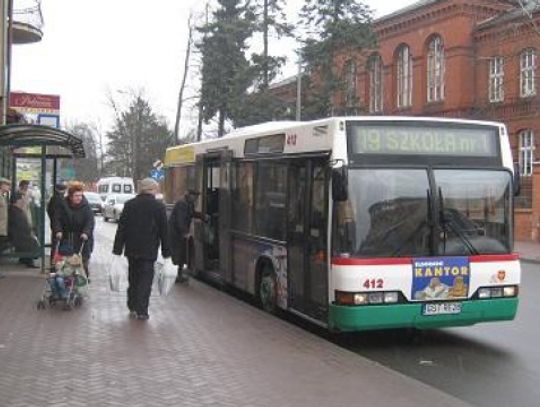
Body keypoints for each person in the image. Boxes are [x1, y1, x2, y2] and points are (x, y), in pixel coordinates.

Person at [113, 178, 171, 320]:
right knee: (145, 280)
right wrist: (166, 253)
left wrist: (117, 250)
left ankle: (132, 305)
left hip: (131, 249)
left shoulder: (129, 205)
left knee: (133, 278)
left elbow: (122, 229)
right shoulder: (158, 207)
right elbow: (164, 231)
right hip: (149, 250)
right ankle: (142, 310)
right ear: (152, 189)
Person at [53, 182, 95, 279]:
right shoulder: (63, 205)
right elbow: (57, 219)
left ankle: (82, 282)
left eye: (80, 195)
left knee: (82, 262)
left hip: (82, 239)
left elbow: (90, 222)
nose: (79, 198)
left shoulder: (86, 207)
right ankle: (66, 282)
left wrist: (86, 232)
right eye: (76, 196)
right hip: (67, 237)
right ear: (71, 196)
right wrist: (58, 230)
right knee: (65, 262)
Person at [168, 189, 206, 284]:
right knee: (179, 254)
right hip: (176, 233)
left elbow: (192, 213)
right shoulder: (182, 204)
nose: (196, 198)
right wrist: (184, 232)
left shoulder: (189, 203)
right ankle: (179, 275)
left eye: (197, 197)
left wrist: (203, 216)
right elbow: (180, 220)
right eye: (194, 196)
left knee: (182, 254)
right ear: (189, 195)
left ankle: (180, 274)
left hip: (180, 233)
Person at [8, 192, 39, 268]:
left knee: (31, 239)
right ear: (18, 201)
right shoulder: (14, 211)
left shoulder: (17, 210)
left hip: (20, 234)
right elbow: (20, 226)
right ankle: (29, 261)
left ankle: (25, 259)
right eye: (22, 199)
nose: (24, 201)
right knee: (31, 242)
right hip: (17, 235)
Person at [47, 183, 67, 256]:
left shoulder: (54, 198)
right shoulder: (59, 199)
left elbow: (49, 210)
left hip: (55, 225)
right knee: (56, 245)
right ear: (63, 190)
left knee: (55, 244)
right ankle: (54, 263)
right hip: (59, 226)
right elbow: (57, 215)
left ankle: (54, 262)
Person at [0, 177, 11, 277]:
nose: (9, 187)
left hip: (2, 228)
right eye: (7, 185)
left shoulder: (2, 196)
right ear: (1, 185)